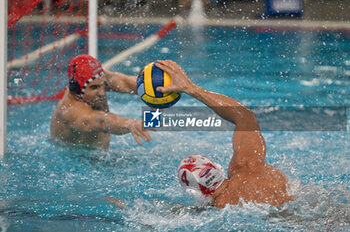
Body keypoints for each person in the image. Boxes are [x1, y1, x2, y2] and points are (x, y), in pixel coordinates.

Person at [155, 60, 293, 208]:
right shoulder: (249, 165)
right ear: (218, 169)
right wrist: (190, 88)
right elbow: (245, 116)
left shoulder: (218, 208)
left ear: (195, 194)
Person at [50, 54, 153, 149]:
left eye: (104, 85)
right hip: (76, 160)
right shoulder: (70, 110)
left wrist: (160, 88)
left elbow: (126, 82)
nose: (102, 93)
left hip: (101, 154)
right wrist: (130, 123)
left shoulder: (97, 79)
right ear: (76, 89)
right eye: (94, 88)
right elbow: (102, 121)